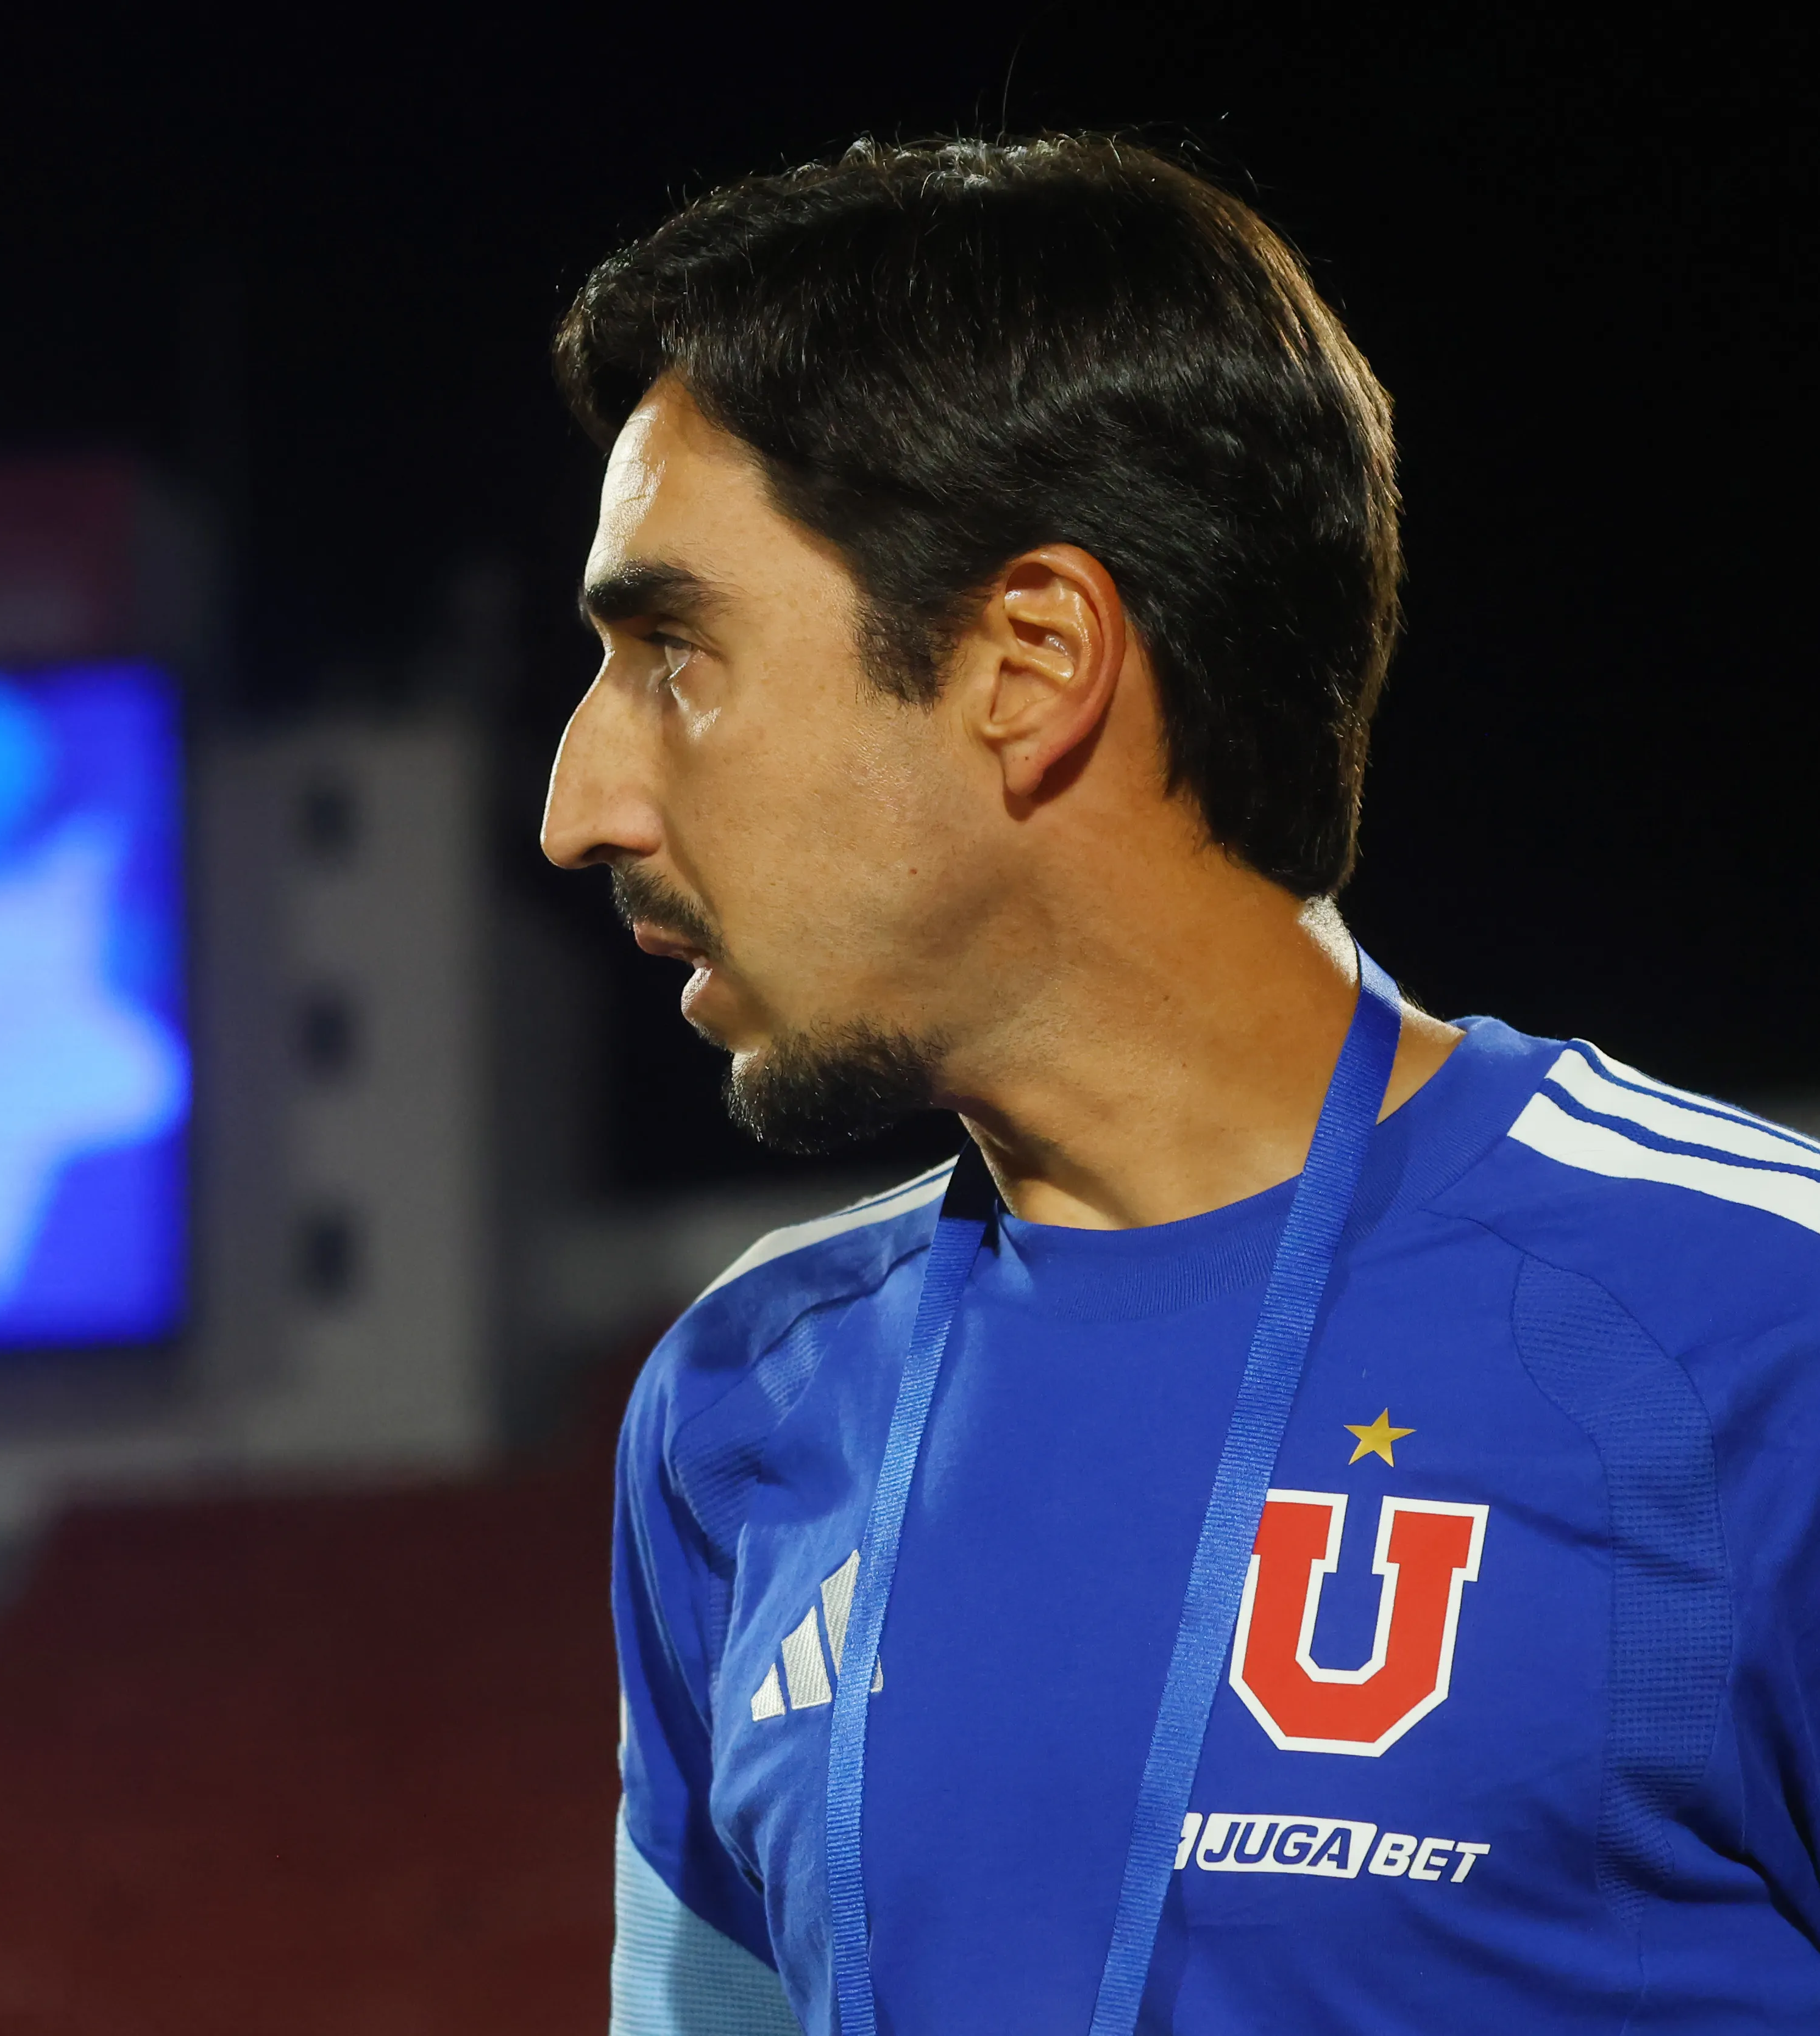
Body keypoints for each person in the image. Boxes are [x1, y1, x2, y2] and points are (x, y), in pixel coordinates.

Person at [541, 134, 1820, 2034]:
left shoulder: (1762, 1338)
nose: (581, 805)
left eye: (675, 654)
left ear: (1032, 661)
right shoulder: (742, 1400)